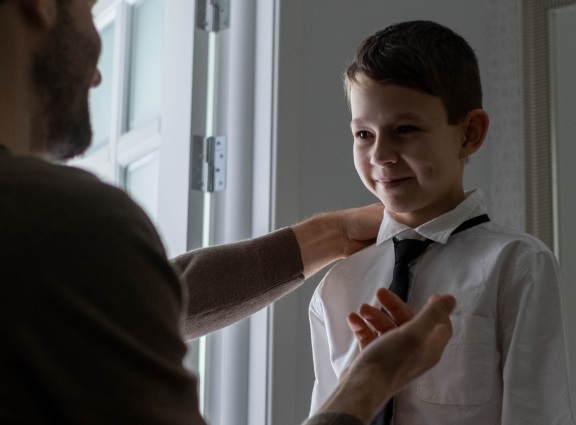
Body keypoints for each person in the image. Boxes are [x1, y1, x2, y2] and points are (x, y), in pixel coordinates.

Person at [0, 1, 455, 424]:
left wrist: (327, 236)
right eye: (89, 7)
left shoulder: (515, 263)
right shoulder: (59, 223)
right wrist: (368, 382)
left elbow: (124, 300)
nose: (99, 74)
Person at [308, 20, 576, 424]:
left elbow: (538, 414)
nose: (380, 154)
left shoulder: (518, 265)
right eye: (364, 134)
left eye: (405, 130)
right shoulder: (338, 286)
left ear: (469, 133)